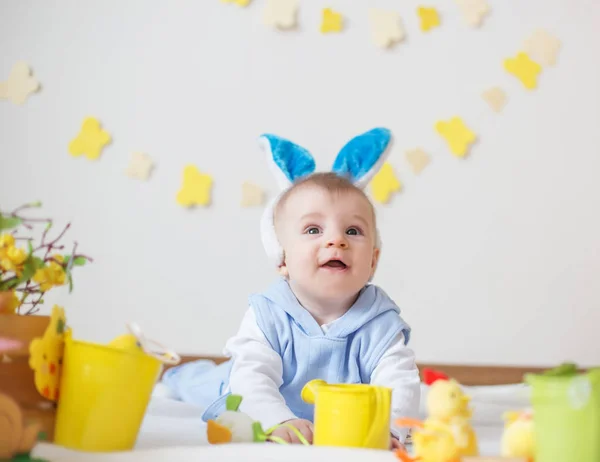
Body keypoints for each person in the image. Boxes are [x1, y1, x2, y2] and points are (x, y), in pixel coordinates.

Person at [163, 128, 420, 449]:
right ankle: (177, 376)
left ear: (374, 260)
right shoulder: (269, 313)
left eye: (353, 230)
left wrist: (392, 429)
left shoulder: (379, 322)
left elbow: (400, 382)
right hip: (252, 391)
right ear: (281, 257)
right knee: (211, 383)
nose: (336, 239)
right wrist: (277, 420)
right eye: (313, 229)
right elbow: (252, 378)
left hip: (336, 414)